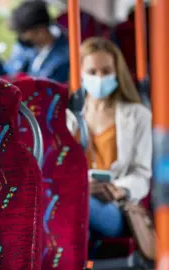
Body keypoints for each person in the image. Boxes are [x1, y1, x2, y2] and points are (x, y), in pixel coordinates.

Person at [66, 37, 152, 239]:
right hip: (73, 195)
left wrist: (117, 189)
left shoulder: (138, 115)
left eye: (106, 71)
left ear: (117, 73)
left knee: (80, 204)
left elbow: (141, 175)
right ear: (80, 74)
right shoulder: (67, 117)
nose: (99, 78)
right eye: (92, 72)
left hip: (116, 206)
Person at [0, 1, 70, 83]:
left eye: (23, 33)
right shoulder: (26, 49)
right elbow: (11, 74)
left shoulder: (64, 58)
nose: (21, 38)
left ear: (41, 31)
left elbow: (45, 90)